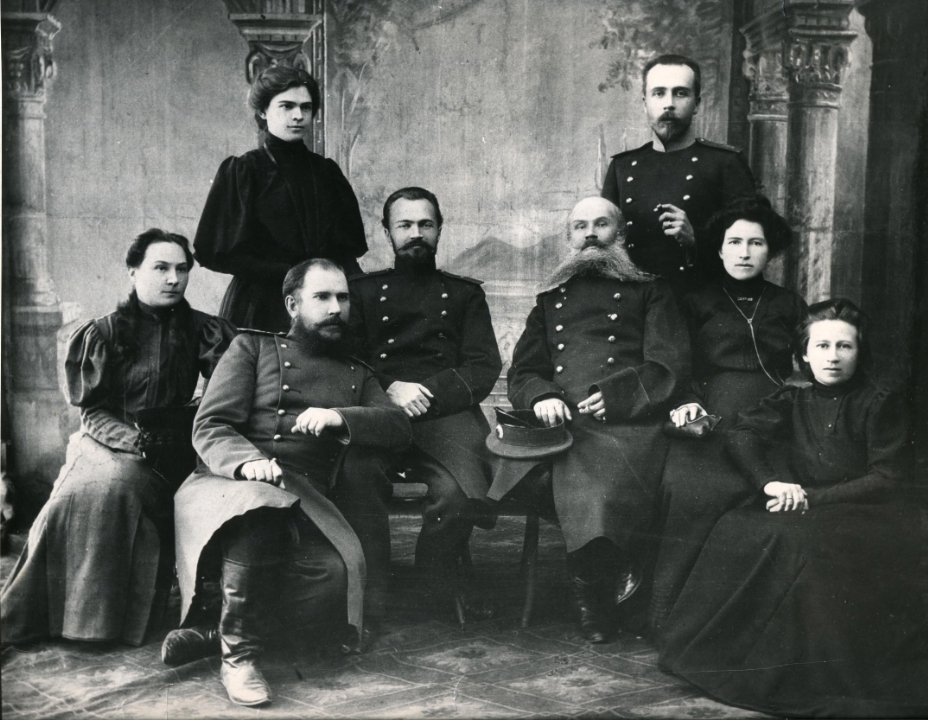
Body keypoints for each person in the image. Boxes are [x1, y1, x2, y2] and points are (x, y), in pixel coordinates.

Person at [658, 299, 928, 718]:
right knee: (736, 526)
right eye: (822, 346)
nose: (833, 356)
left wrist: (810, 497)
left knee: (800, 544)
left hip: (868, 511)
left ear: (860, 353)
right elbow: (742, 433)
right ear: (804, 354)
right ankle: (732, 655)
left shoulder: (880, 402)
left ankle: (809, 671)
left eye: (845, 346)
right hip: (805, 502)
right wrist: (770, 483)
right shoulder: (793, 398)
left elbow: (886, 478)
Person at [165, 259, 411, 707]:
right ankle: (239, 658)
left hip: (305, 498)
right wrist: (247, 463)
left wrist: (340, 417)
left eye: (342, 297)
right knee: (259, 511)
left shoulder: (357, 372)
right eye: (322, 297)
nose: (336, 308)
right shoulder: (252, 348)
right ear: (293, 305)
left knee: (332, 580)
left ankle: (218, 633)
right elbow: (211, 425)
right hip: (229, 485)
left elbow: (398, 427)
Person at [1, 230, 235, 646]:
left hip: (171, 447)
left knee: (124, 488)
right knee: (83, 494)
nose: (173, 279)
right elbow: (91, 410)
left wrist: (188, 421)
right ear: (133, 272)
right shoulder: (103, 332)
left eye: (181, 269)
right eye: (160, 268)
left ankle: (111, 622)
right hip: (102, 439)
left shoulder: (204, 330)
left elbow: (225, 395)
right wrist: (131, 441)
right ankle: (48, 616)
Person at [491, 196, 690, 643]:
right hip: (563, 421)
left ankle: (591, 597)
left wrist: (617, 396)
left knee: (594, 476)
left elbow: (668, 365)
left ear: (620, 234)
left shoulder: (651, 291)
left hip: (630, 421)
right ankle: (611, 570)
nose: (591, 235)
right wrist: (542, 396)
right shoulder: (550, 299)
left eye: (602, 225)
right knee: (533, 471)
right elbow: (524, 372)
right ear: (569, 238)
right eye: (580, 227)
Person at [646, 196, 806, 634]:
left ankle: (751, 621)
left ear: (770, 252)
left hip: (774, 416)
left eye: (756, 243)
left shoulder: (788, 304)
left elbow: (808, 365)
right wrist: (684, 400)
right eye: (734, 242)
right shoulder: (696, 301)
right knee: (689, 490)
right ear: (718, 249)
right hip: (709, 416)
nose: (744, 252)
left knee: (771, 494)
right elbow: (674, 363)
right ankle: (671, 618)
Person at [347, 187, 502, 622]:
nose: (416, 233)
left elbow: (482, 365)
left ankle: (431, 580)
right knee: (355, 478)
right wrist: (390, 388)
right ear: (387, 232)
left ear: (439, 229)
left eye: (425, 224)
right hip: (378, 412)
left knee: (457, 496)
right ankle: (373, 588)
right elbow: (347, 361)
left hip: (445, 414)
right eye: (405, 225)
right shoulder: (361, 292)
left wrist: (427, 393)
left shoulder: (465, 295)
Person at [193, 65, 368, 332]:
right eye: (286, 106)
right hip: (262, 304)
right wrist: (288, 274)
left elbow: (346, 252)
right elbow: (222, 254)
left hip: (324, 302)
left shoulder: (326, 172)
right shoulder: (245, 171)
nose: (298, 116)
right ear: (263, 111)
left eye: (306, 108)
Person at [602, 54, 757, 297]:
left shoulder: (725, 163)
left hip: (703, 302)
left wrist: (696, 238)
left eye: (681, 93)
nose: (669, 104)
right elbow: (605, 245)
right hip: (634, 302)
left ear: (697, 104)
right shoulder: (622, 167)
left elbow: (753, 244)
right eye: (659, 93)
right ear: (645, 103)